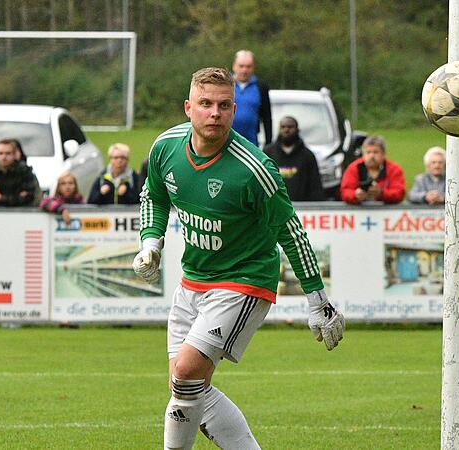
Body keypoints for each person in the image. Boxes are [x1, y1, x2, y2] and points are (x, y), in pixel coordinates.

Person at [132, 67, 344, 450]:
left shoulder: (255, 169)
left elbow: (291, 232)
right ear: (188, 107)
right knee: (186, 386)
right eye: (206, 104)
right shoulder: (165, 148)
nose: (215, 113)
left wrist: (318, 301)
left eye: (224, 105)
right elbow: (154, 196)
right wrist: (151, 242)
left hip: (244, 281)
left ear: (234, 110)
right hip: (193, 279)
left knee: (186, 373)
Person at [263, 116, 325, 201]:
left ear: (297, 130)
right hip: (274, 207)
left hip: (302, 209)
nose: (286, 130)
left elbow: (315, 186)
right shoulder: (268, 153)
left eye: (290, 127)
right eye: (283, 127)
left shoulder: (308, 156)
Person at [339, 135, 406, 204]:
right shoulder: (354, 168)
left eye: (376, 152)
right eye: (368, 152)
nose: (372, 156)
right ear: (363, 154)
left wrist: (381, 193)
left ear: (383, 154)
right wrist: (355, 195)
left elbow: (399, 193)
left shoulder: (394, 169)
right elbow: (345, 192)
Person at [231, 50, 272, 147]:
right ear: (234, 66)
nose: (244, 70)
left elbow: (267, 117)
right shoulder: (225, 84)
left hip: (251, 142)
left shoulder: (261, 87)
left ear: (253, 67)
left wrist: (268, 143)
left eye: (248, 66)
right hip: (226, 140)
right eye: (241, 66)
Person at [0, 139, 36, 207]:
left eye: (8, 153)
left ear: (14, 154)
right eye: (0, 153)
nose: (4, 157)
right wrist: (15, 197)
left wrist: (0, 198)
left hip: (20, 213)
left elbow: (28, 198)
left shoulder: (24, 170)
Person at [9, 138, 43, 206]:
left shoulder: (28, 174)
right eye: (9, 152)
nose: (13, 155)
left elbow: (38, 199)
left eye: (15, 151)